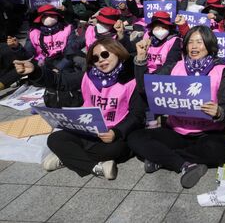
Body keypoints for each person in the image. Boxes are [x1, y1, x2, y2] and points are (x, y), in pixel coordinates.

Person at [18, 38, 146, 179]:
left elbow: (137, 115)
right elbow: (60, 81)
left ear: (118, 53)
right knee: (54, 139)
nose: (101, 61)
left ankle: (67, 158)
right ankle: (95, 166)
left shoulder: (132, 80)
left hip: (114, 135)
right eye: (95, 58)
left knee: (119, 149)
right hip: (86, 130)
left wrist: (116, 132)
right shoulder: (88, 75)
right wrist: (35, 71)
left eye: (105, 55)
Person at [129, 26, 225, 189]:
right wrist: (141, 60)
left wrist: (219, 111)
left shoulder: (221, 71)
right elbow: (145, 88)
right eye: (190, 42)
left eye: (199, 42)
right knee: (135, 138)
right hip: (176, 132)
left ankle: (162, 158)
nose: (194, 46)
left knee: (218, 152)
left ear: (209, 45)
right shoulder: (174, 67)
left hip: (208, 133)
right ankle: (184, 164)